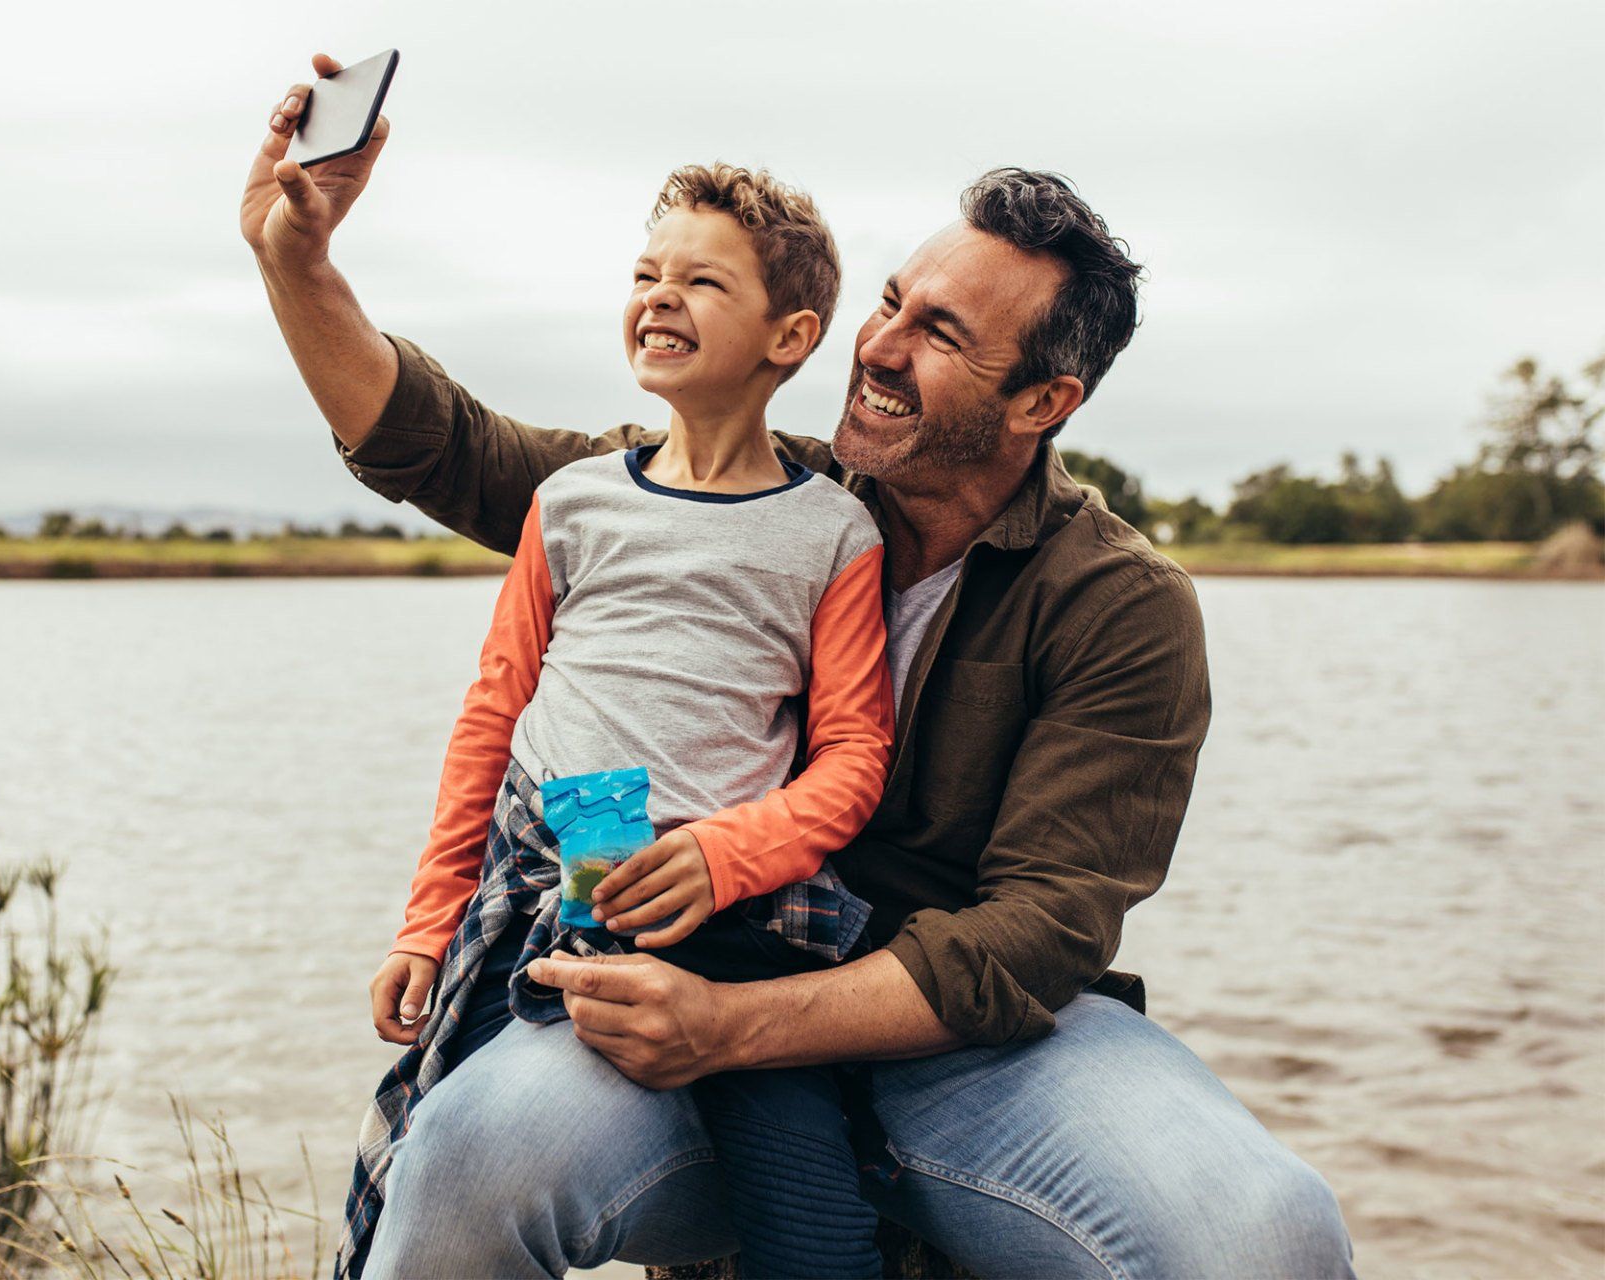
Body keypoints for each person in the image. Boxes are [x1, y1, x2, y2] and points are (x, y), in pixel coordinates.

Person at [243, 52, 1357, 1279]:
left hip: (966, 1051)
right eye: (889, 300)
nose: (876, 345)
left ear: (1044, 400)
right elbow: (447, 448)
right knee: (468, 1151)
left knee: (1267, 1236)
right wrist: (299, 261)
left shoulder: (1123, 604)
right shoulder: (740, 489)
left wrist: (734, 1025)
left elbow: (1040, 933)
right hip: (685, 975)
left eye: (938, 333)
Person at [346, 159, 897, 1279]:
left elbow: (854, 755)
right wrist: (427, 918)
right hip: (547, 889)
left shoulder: (835, 531)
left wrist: (721, 855)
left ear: (790, 338)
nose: (659, 295)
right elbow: (494, 714)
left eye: (702, 281)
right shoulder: (576, 500)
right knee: (438, 1156)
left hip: (738, 924)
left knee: (820, 1236)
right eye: (646, 273)